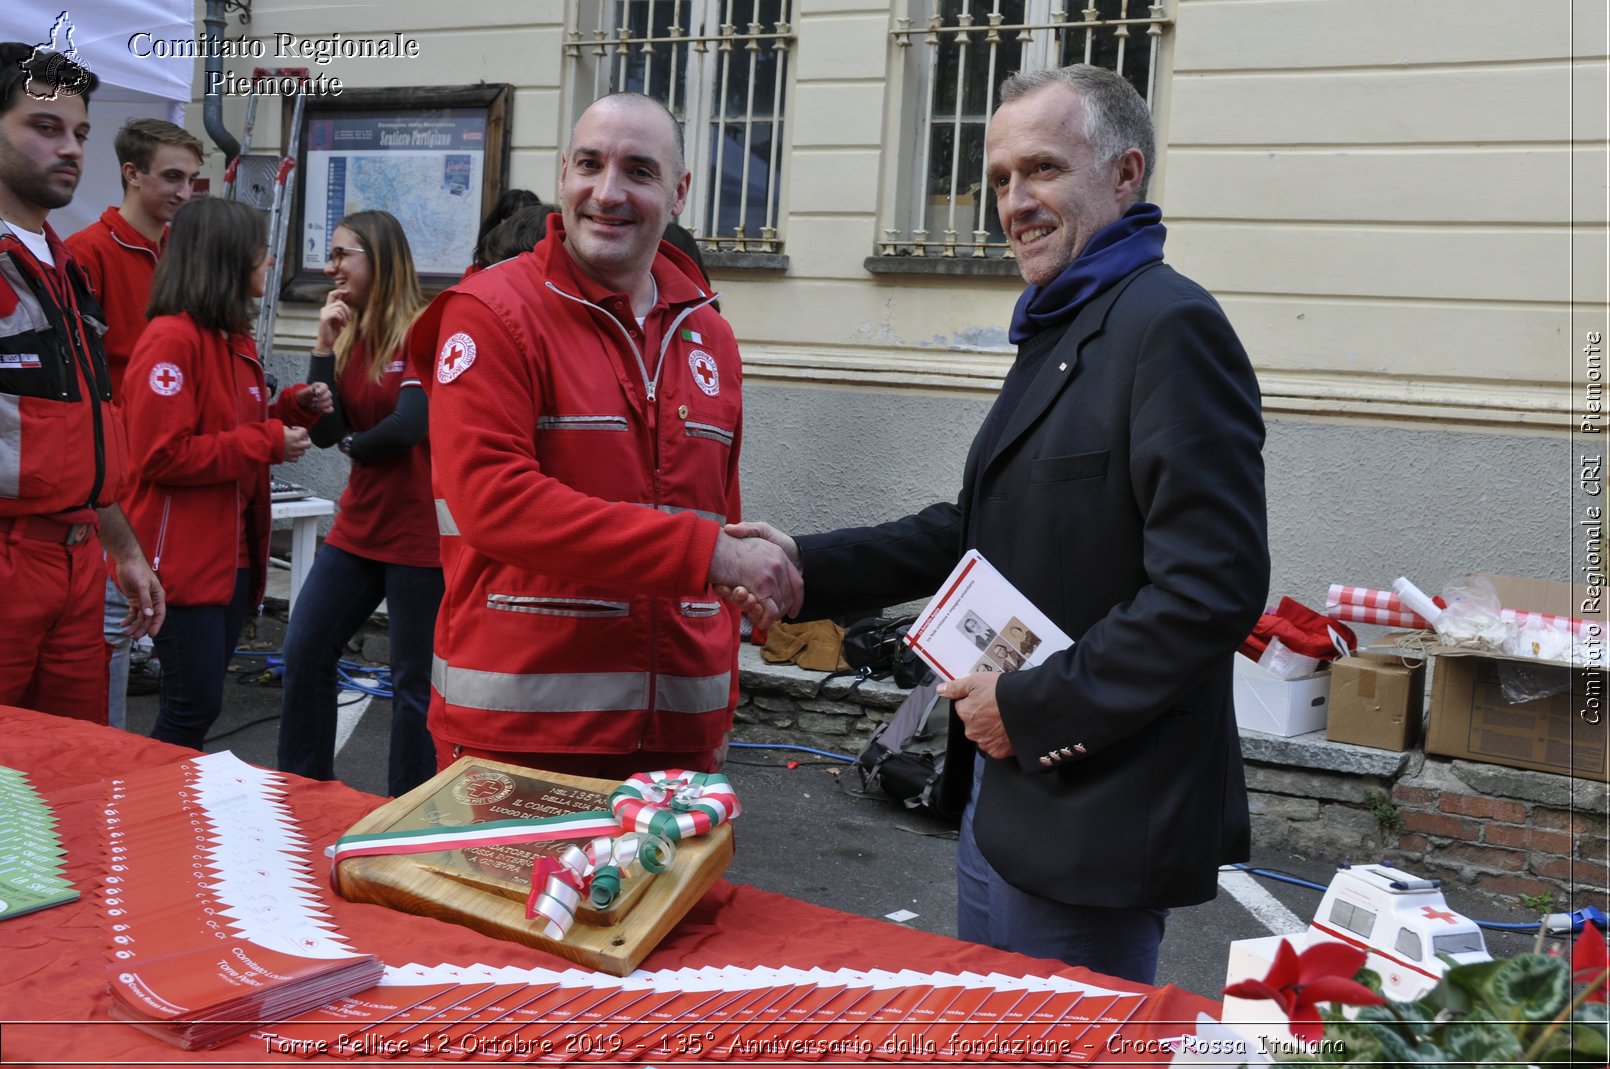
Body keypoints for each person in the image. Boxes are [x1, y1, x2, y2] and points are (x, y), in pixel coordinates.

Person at [726, 65, 1268, 984]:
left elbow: (1210, 590)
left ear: (1126, 174)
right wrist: (796, 567)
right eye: (1002, 178)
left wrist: (1026, 707)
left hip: (1089, 814)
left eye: (1043, 169)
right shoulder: (1065, 320)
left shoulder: (1169, 327)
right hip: (1001, 801)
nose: (1015, 202)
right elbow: (975, 529)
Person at [413, 91, 800, 779]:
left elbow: (715, 514)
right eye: (589, 164)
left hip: (681, 739)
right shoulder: (492, 314)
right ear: (563, 173)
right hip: (521, 741)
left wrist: (747, 583)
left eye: (639, 171)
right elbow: (494, 503)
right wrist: (709, 552)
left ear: (679, 192)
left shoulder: (707, 331)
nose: (607, 192)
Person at [122, 197, 331, 750]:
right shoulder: (172, 339)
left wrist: (293, 408)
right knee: (193, 707)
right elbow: (160, 455)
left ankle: (163, 815)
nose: (267, 262)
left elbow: (235, 427)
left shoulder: (229, 338)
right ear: (225, 258)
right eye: (260, 251)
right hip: (185, 561)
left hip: (229, 555)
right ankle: (144, 818)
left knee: (198, 704)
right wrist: (267, 439)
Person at [0, 42, 164, 723]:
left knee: (74, 775)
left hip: (77, 560)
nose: (70, 148)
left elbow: (83, 433)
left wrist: (123, 548)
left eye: (80, 133)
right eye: (45, 128)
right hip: (10, 560)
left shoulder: (65, 267)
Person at [277, 210, 440, 796]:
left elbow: (410, 425)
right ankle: (302, 789)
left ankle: (408, 814)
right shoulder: (349, 331)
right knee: (304, 651)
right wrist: (323, 347)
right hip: (361, 525)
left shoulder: (424, 330)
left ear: (380, 257)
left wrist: (353, 442)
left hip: (420, 533)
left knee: (414, 684)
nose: (331, 267)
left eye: (343, 254)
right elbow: (324, 433)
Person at [66, 117, 202, 730]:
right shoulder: (86, 254)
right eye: (172, 177)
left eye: (193, 181)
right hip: (110, 478)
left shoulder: (182, 254)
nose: (183, 191)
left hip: (165, 466)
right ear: (132, 173)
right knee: (105, 643)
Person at [462, 188, 542, 277]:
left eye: (524, 219)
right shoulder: (476, 272)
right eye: (509, 216)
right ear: (498, 221)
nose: (515, 225)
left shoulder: (543, 272)